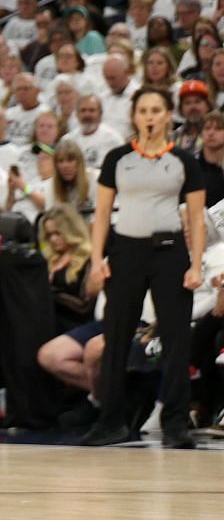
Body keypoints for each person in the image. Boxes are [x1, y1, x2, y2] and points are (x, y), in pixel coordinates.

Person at [84, 87, 205, 448]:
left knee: (175, 339)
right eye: (143, 111)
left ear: (168, 115)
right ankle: (111, 421)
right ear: (134, 117)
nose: (149, 117)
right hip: (126, 252)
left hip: (169, 252)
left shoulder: (184, 160)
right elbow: (102, 214)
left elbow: (197, 219)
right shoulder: (117, 159)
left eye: (156, 110)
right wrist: (96, 260)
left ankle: (175, 423)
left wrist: (196, 264)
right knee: (117, 337)